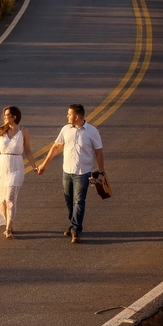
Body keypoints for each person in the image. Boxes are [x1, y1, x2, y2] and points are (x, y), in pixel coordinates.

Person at [37, 104, 105, 244]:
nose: (67, 116)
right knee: (69, 200)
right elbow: (56, 147)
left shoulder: (92, 132)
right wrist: (44, 165)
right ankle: (74, 222)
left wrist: (101, 172)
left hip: (83, 173)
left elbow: (99, 152)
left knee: (79, 201)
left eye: (69, 114)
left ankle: (75, 230)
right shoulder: (66, 129)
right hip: (67, 171)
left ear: (77, 116)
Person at [0, 106, 37, 238]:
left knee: (10, 198)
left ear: (14, 117)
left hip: (16, 167)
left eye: (7, 115)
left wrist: (34, 166)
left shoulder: (23, 131)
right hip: (2, 167)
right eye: (4, 115)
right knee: (3, 199)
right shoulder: (1, 131)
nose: (4, 117)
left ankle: (8, 228)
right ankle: (8, 222)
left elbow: (28, 150)